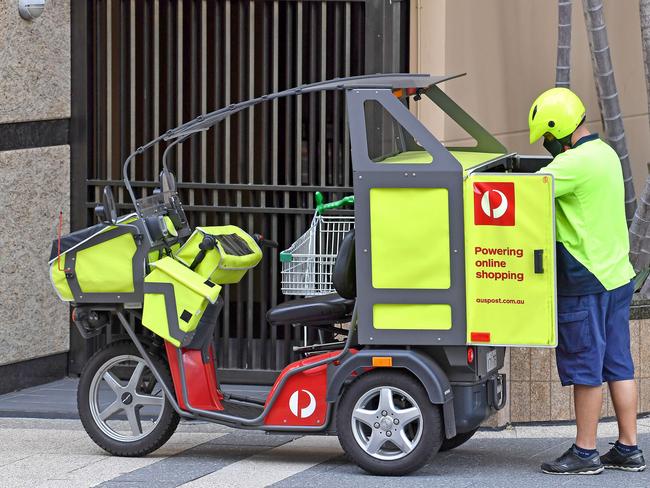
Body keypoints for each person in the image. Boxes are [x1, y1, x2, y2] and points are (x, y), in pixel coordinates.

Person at [528, 87, 645, 475]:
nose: (547, 145)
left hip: (586, 280)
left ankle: (585, 452)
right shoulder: (606, 153)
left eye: (546, 137)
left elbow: (522, 194)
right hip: (616, 275)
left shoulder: (571, 164)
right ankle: (629, 448)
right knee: (618, 364)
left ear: (557, 129)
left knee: (585, 367)